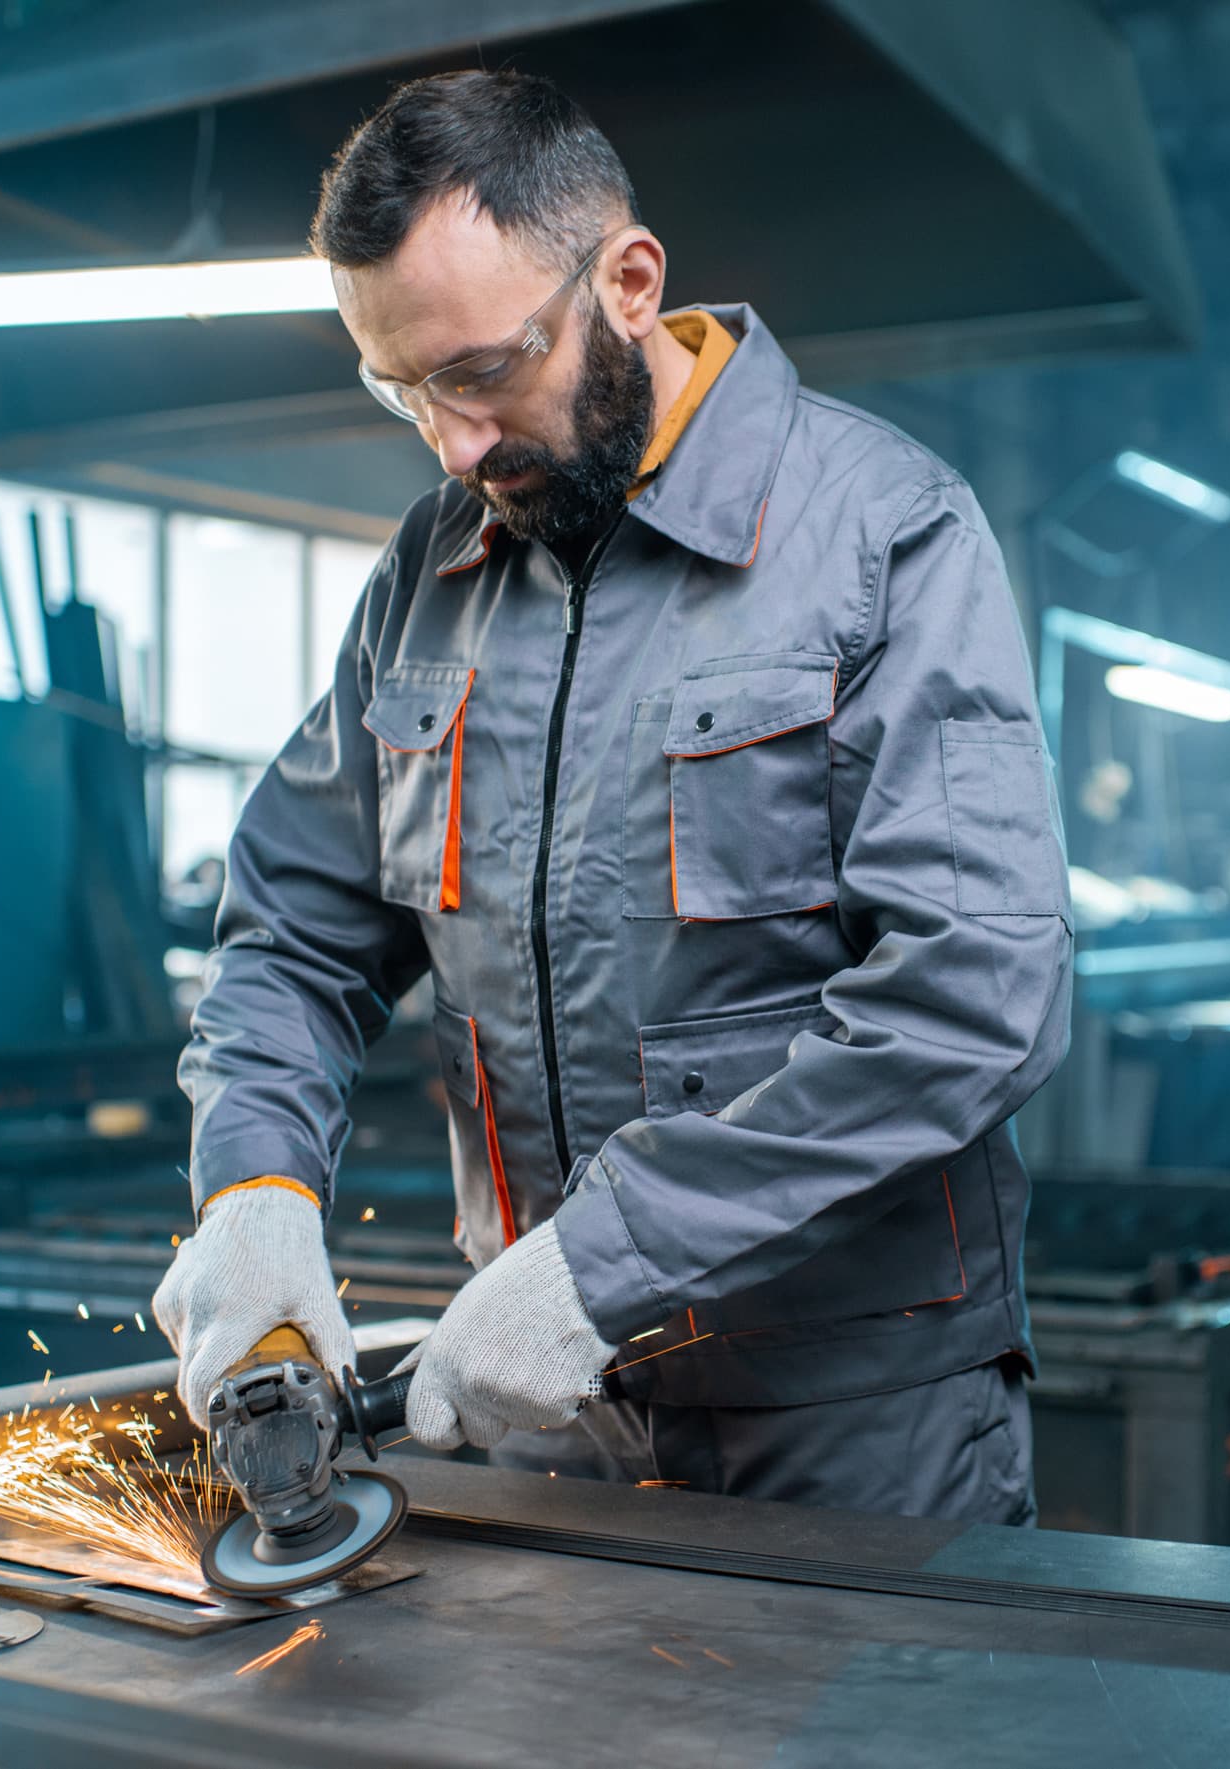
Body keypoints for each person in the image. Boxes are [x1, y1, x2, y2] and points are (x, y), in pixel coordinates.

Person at [154, 69, 1070, 1524]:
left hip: (847, 1416)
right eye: (400, 391)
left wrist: (611, 1260)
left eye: (478, 371)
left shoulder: (884, 533)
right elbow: (294, 934)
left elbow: (974, 986)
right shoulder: (430, 570)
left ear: (628, 281)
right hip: (538, 1407)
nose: (451, 445)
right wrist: (252, 1193)